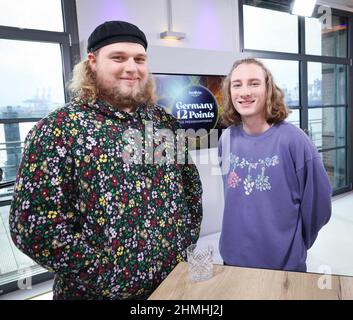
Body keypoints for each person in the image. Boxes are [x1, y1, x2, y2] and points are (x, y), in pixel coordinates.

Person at [9, 20, 203, 299]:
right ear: (93, 62)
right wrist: (105, 274)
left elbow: (191, 191)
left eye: (139, 59)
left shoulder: (163, 123)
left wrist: (185, 247)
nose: (131, 67)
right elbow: (33, 226)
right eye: (118, 58)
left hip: (172, 287)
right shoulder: (59, 129)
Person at [218, 58, 332, 272]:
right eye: (237, 84)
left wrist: (295, 243)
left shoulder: (295, 140)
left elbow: (320, 206)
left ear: (268, 89)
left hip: (283, 266)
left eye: (254, 83)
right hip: (233, 262)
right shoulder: (226, 139)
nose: (244, 92)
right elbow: (234, 200)